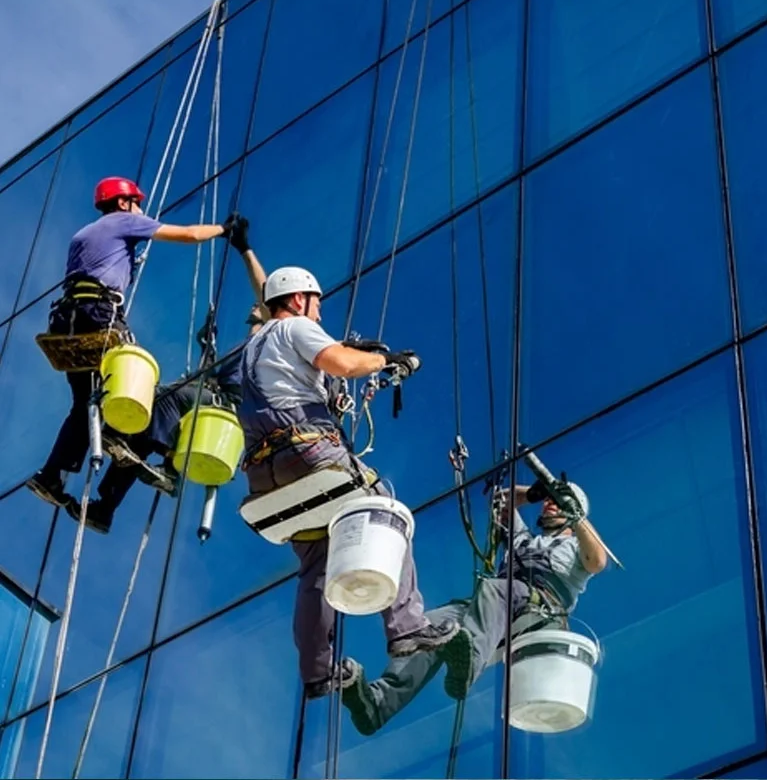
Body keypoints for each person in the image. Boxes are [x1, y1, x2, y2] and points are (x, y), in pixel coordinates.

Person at [236, 265, 460, 699]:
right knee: (384, 510)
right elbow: (340, 362)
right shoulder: (295, 327)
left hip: (266, 474)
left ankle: (316, 672)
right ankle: (408, 628)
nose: (318, 315)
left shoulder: (251, 348)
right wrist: (382, 360)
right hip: (306, 449)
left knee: (317, 564)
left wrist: (330, 389)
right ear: (298, 299)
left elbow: (290, 385)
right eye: (316, 303)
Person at [27, 176, 248, 509]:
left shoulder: (82, 235)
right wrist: (222, 228)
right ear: (122, 202)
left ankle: (51, 476)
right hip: (99, 313)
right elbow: (188, 234)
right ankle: (122, 437)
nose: (141, 211)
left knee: (84, 404)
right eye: (137, 204)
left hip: (67, 321)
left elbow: (100, 264)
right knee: (139, 382)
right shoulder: (125, 220)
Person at [339, 479, 607, 735]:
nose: (550, 504)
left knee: (495, 589)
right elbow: (501, 501)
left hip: (539, 610)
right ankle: (377, 704)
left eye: (557, 502)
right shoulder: (524, 540)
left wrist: (576, 514)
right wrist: (535, 491)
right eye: (548, 500)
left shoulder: (577, 546)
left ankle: (467, 666)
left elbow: (597, 560)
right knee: (429, 626)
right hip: (497, 609)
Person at [60, 213, 261, 535]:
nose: (253, 309)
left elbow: (267, 293)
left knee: (161, 399)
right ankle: (104, 508)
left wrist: (243, 248)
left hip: (224, 403)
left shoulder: (273, 332)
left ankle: (165, 467)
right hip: (212, 396)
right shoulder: (249, 344)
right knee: (139, 436)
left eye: (259, 308)